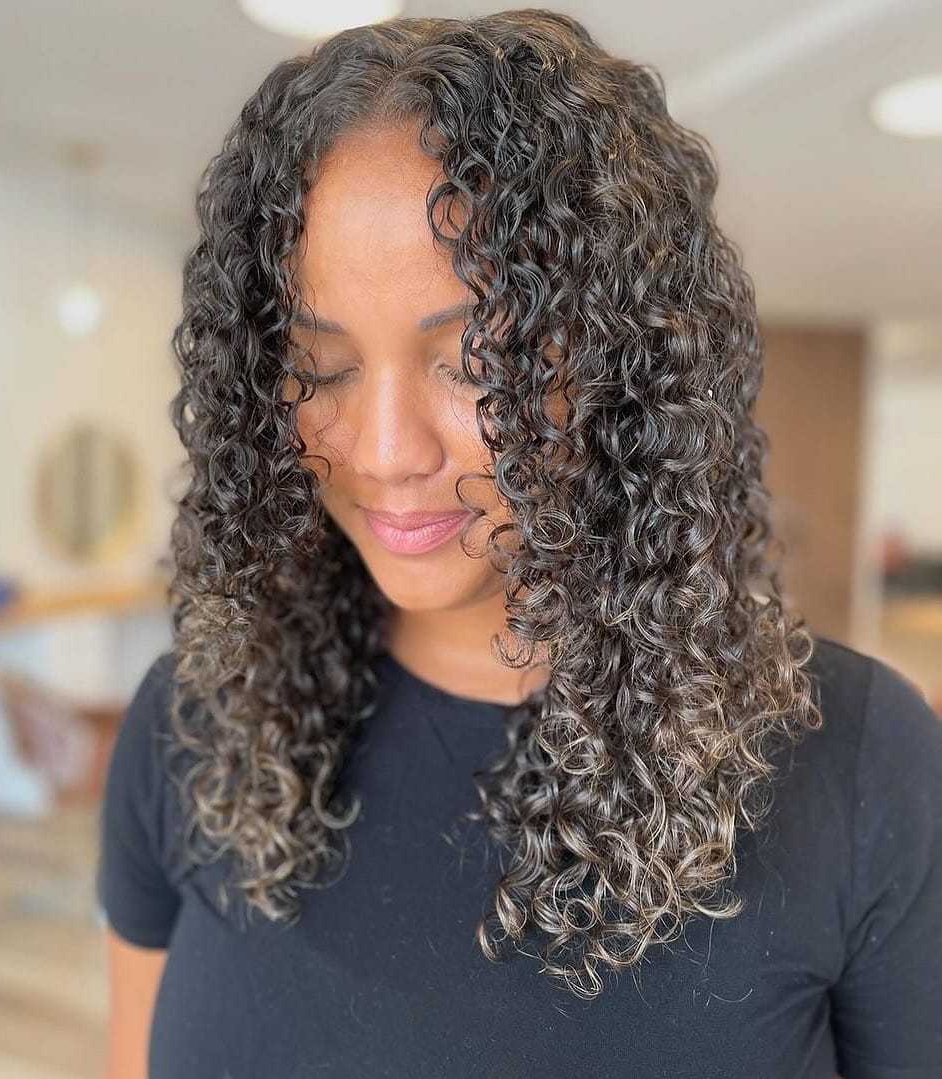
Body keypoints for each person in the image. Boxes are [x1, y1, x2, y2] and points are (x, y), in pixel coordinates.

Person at [96, 10, 942, 1078]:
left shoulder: (859, 766)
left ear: (621, 363)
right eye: (322, 365)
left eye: (470, 360)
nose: (385, 450)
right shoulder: (196, 725)